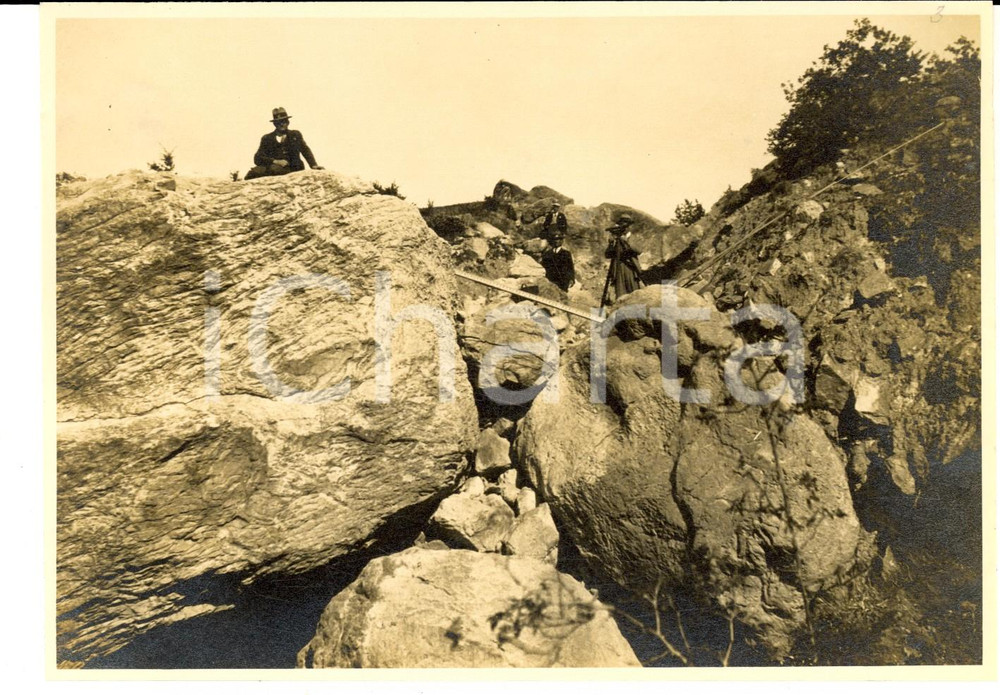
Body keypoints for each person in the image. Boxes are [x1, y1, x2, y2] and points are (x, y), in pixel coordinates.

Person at [244, 107, 324, 180]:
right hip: (273, 166)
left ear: (288, 122)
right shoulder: (267, 138)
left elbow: (305, 150)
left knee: (274, 170)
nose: (282, 124)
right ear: (274, 124)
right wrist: (275, 161)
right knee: (252, 173)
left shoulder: (295, 134)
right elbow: (257, 158)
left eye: (283, 121)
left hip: (293, 168)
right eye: (278, 122)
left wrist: (313, 165)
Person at [601, 213, 643, 306]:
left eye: (626, 224)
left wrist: (626, 241)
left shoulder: (633, 237)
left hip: (630, 268)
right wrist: (611, 243)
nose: (623, 227)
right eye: (622, 224)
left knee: (634, 295)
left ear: (629, 227)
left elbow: (639, 250)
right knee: (620, 297)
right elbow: (607, 255)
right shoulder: (617, 239)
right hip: (618, 269)